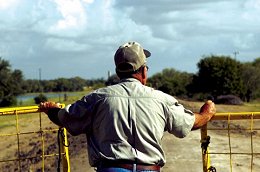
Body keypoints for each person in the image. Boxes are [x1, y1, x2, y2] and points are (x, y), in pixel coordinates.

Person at [40, 41, 216, 172]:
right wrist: (207, 112)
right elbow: (190, 123)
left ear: (117, 71)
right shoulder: (160, 99)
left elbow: (64, 117)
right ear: (144, 71)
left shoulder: (98, 98)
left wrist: (51, 109)